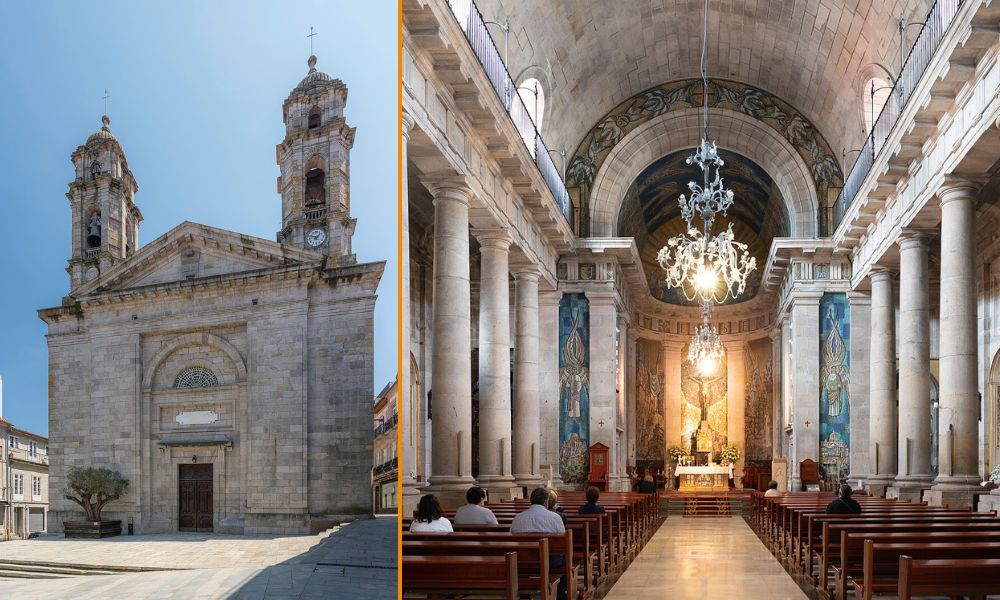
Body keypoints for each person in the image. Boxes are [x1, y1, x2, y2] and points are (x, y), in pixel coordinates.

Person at [512, 488, 566, 600]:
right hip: (550, 561)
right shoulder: (555, 517)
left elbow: (512, 538)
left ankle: (524, 596)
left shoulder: (518, 518)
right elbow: (562, 539)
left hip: (522, 560)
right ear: (546, 502)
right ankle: (560, 596)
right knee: (566, 561)